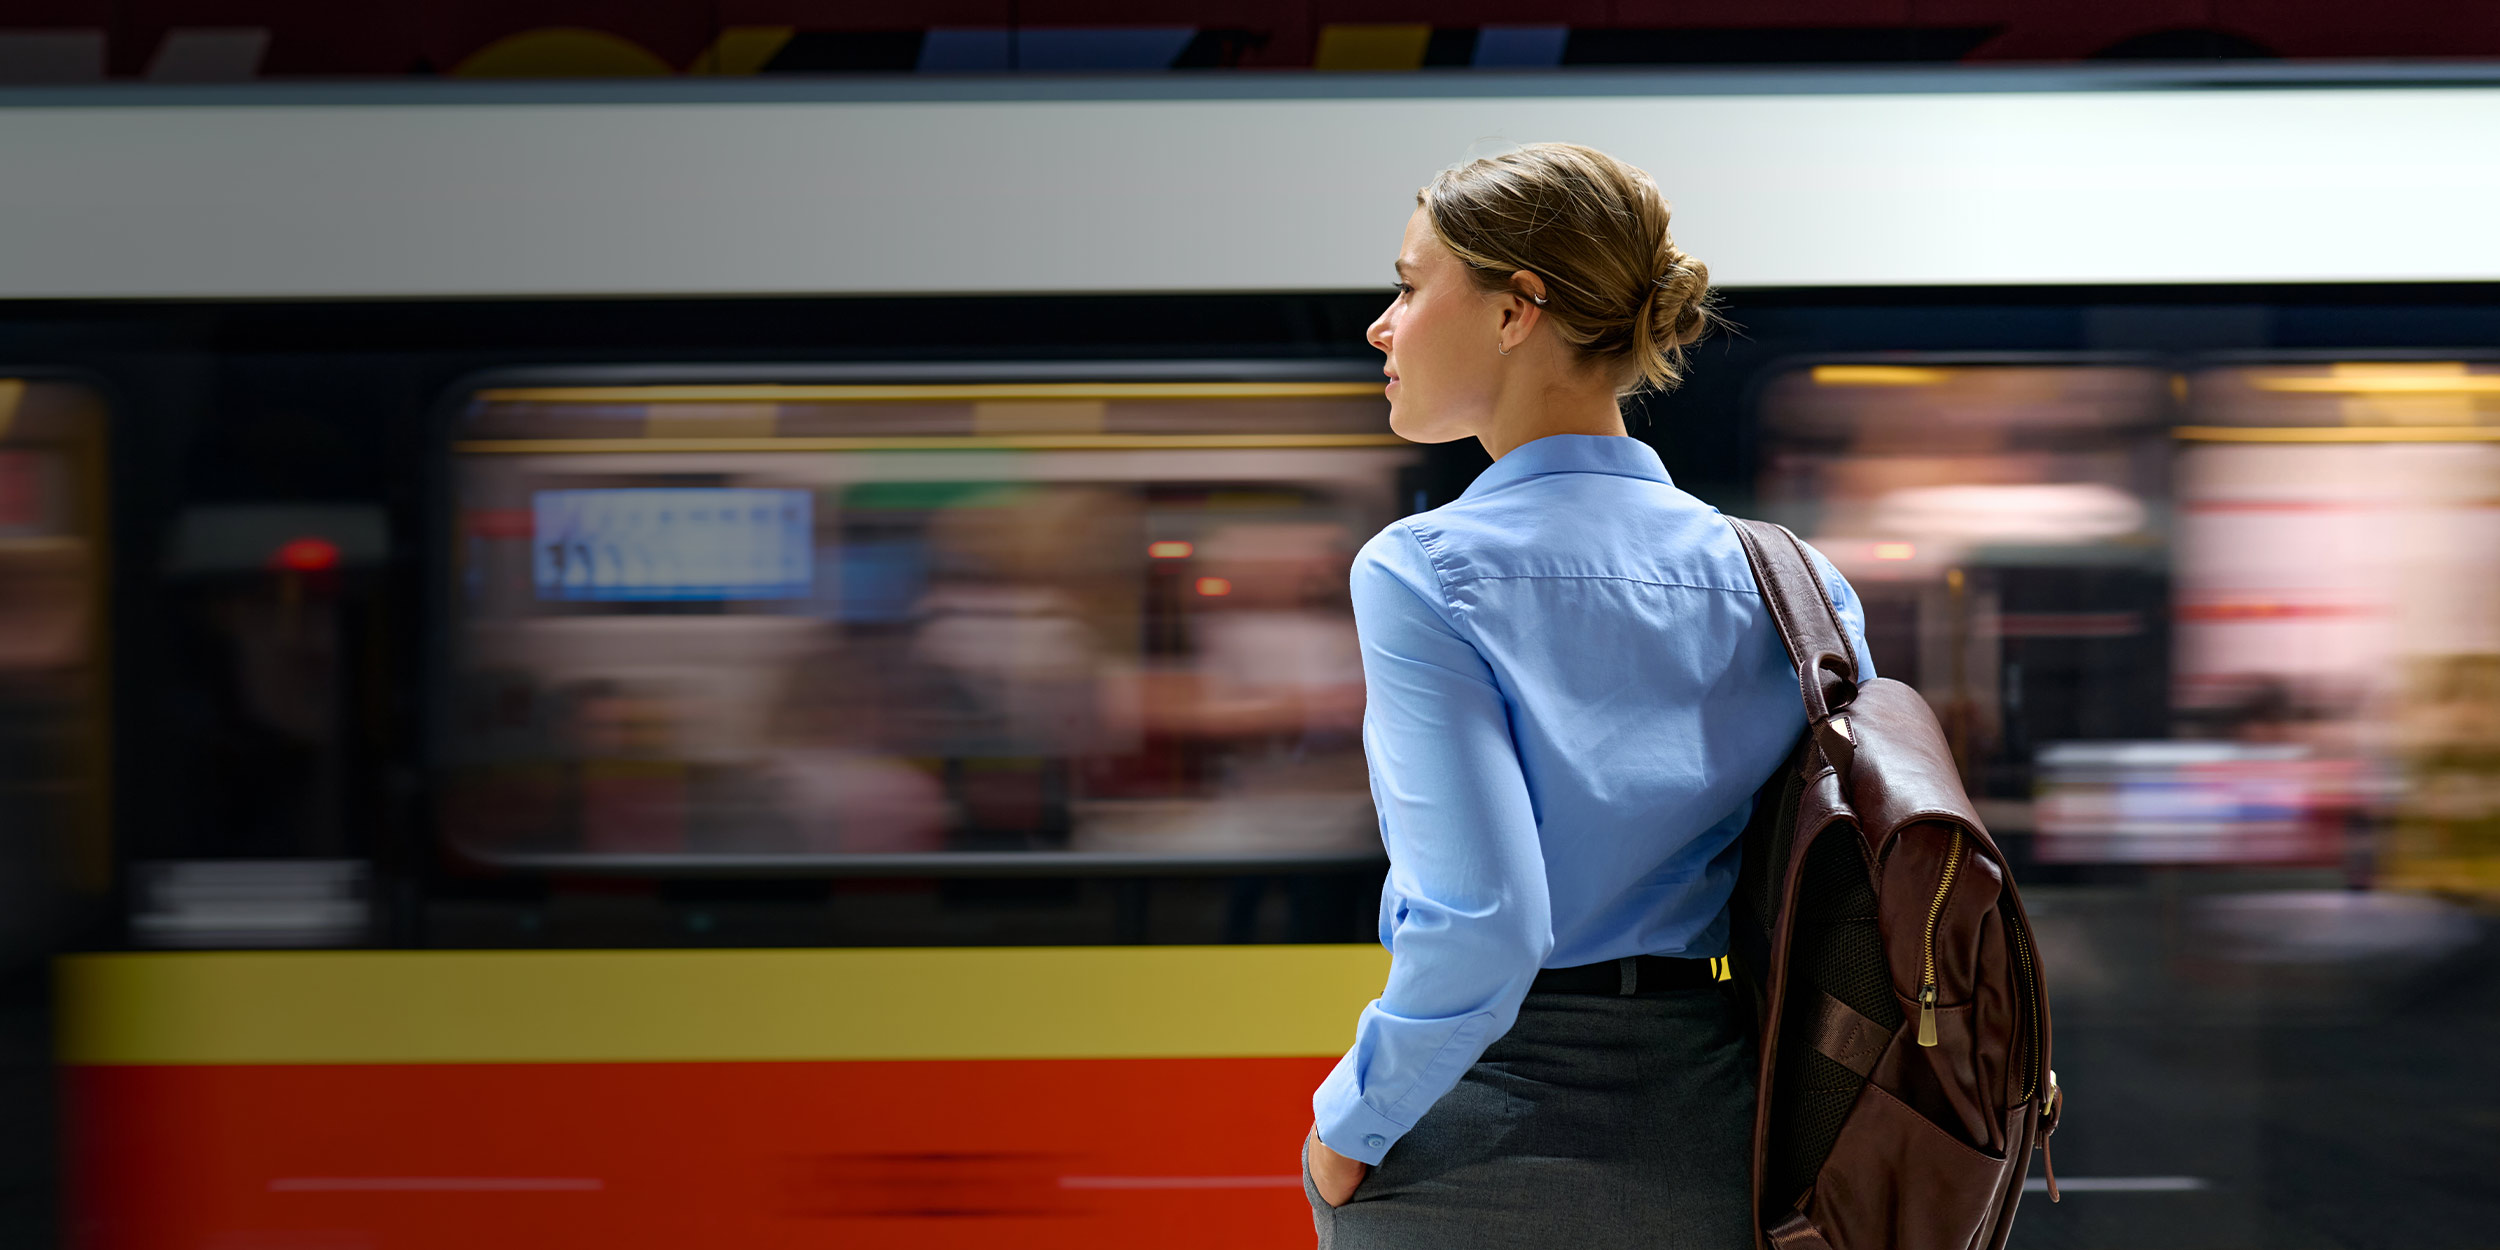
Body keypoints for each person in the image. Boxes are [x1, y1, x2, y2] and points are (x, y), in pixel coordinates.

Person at [1301, 143, 1874, 1248]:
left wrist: (1351, 1123)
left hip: (1487, 1113)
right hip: (1722, 1115)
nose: (1381, 324)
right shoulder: (1794, 578)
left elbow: (1484, 922)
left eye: (1412, 286)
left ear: (1518, 309)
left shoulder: (1422, 570)